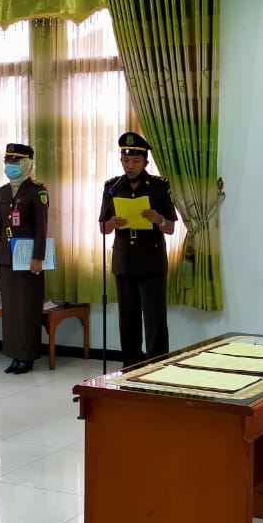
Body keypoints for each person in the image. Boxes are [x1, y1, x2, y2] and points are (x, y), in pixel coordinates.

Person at [99, 131, 177, 366]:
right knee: (128, 320)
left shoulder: (158, 187)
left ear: (145, 162)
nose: (129, 166)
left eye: (135, 161)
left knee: (154, 321)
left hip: (151, 262)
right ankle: (131, 365)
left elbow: (171, 227)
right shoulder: (113, 187)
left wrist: (158, 219)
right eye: (125, 160)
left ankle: (157, 367)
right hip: (124, 261)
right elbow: (103, 227)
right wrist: (111, 223)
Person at [0, 142, 48, 374]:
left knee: (27, 308)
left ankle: (28, 356)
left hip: (27, 258)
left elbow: (41, 228)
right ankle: (14, 355)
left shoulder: (37, 191)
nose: (10, 166)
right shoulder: (3, 191)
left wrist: (38, 257)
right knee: (12, 310)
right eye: (8, 161)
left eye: (15, 162)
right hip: (6, 256)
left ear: (27, 164)